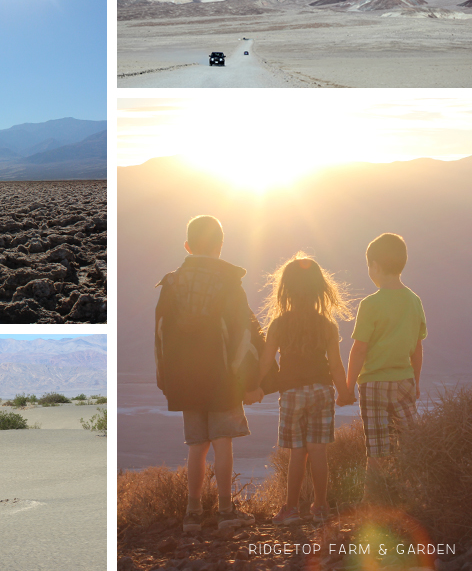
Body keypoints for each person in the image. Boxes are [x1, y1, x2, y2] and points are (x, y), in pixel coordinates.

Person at [155, 215, 265, 532]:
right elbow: (242, 336)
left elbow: (160, 334)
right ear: (220, 246)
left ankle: (192, 514)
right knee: (222, 441)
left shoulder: (172, 282)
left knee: (196, 446)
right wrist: (251, 382)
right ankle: (226, 511)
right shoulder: (229, 282)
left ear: (188, 246)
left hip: (184, 379)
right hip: (222, 378)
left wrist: (165, 379)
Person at [254, 254, 355, 526]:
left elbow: (265, 362)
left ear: (285, 289)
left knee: (297, 452)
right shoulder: (326, 325)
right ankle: (321, 507)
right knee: (319, 450)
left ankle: (290, 509)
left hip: (291, 394)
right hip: (322, 391)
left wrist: (253, 386)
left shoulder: (279, 324)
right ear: (319, 289)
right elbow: (335, 365)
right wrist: (344, 393)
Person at [345, 233, 426, 495]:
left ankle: (374, 504)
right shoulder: (414, 301)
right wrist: (416, 382)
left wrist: (347, 386)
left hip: (373, 385)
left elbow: (359, 350)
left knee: (377, 449)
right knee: (411, 444)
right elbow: (417, 347)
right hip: (404, 381)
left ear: (375, 266)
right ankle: (413, 497)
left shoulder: (370, 304)